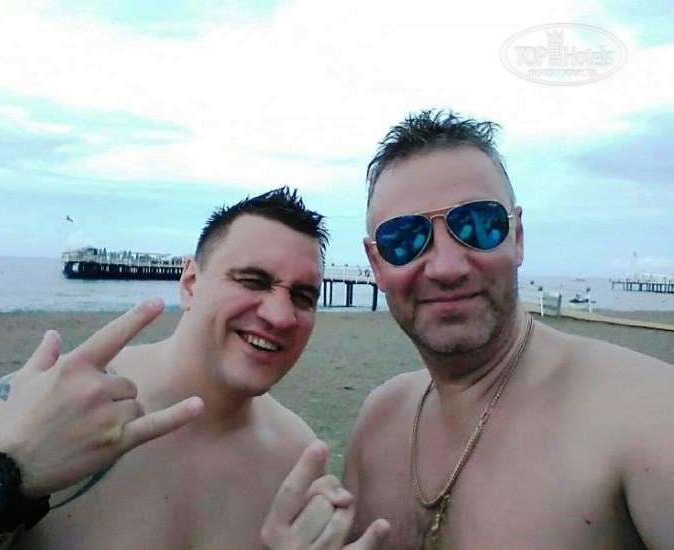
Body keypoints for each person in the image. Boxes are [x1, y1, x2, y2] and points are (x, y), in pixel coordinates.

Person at [262, 110, 674, 549]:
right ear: (377, 265)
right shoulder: (379, 423)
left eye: (478, 226)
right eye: (404, 239)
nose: (446, 267)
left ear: (517, 237)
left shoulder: (642, 411)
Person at [0, 187, 383, 549]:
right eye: (253, 281)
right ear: (190, 283)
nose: (281, 316)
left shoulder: (297, 457)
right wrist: (9, 467)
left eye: (302, 297)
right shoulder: (43, 407)